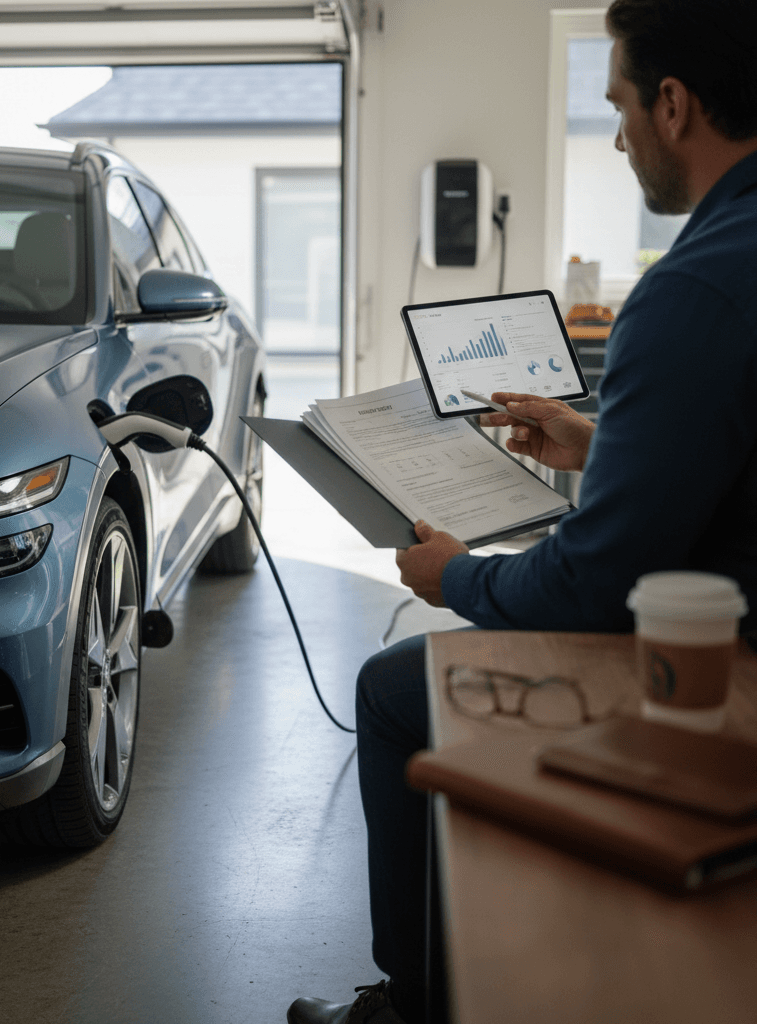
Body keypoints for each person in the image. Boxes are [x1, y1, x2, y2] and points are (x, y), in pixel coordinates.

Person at [287, 0, 757, 1021]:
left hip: (725, 668)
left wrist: (454, 575)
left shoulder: (690, 291)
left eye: (619, 106)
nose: (620, 138)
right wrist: (601, 444)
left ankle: (415, 1006)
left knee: (392, 687)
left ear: (674, 105)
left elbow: (592, 586)